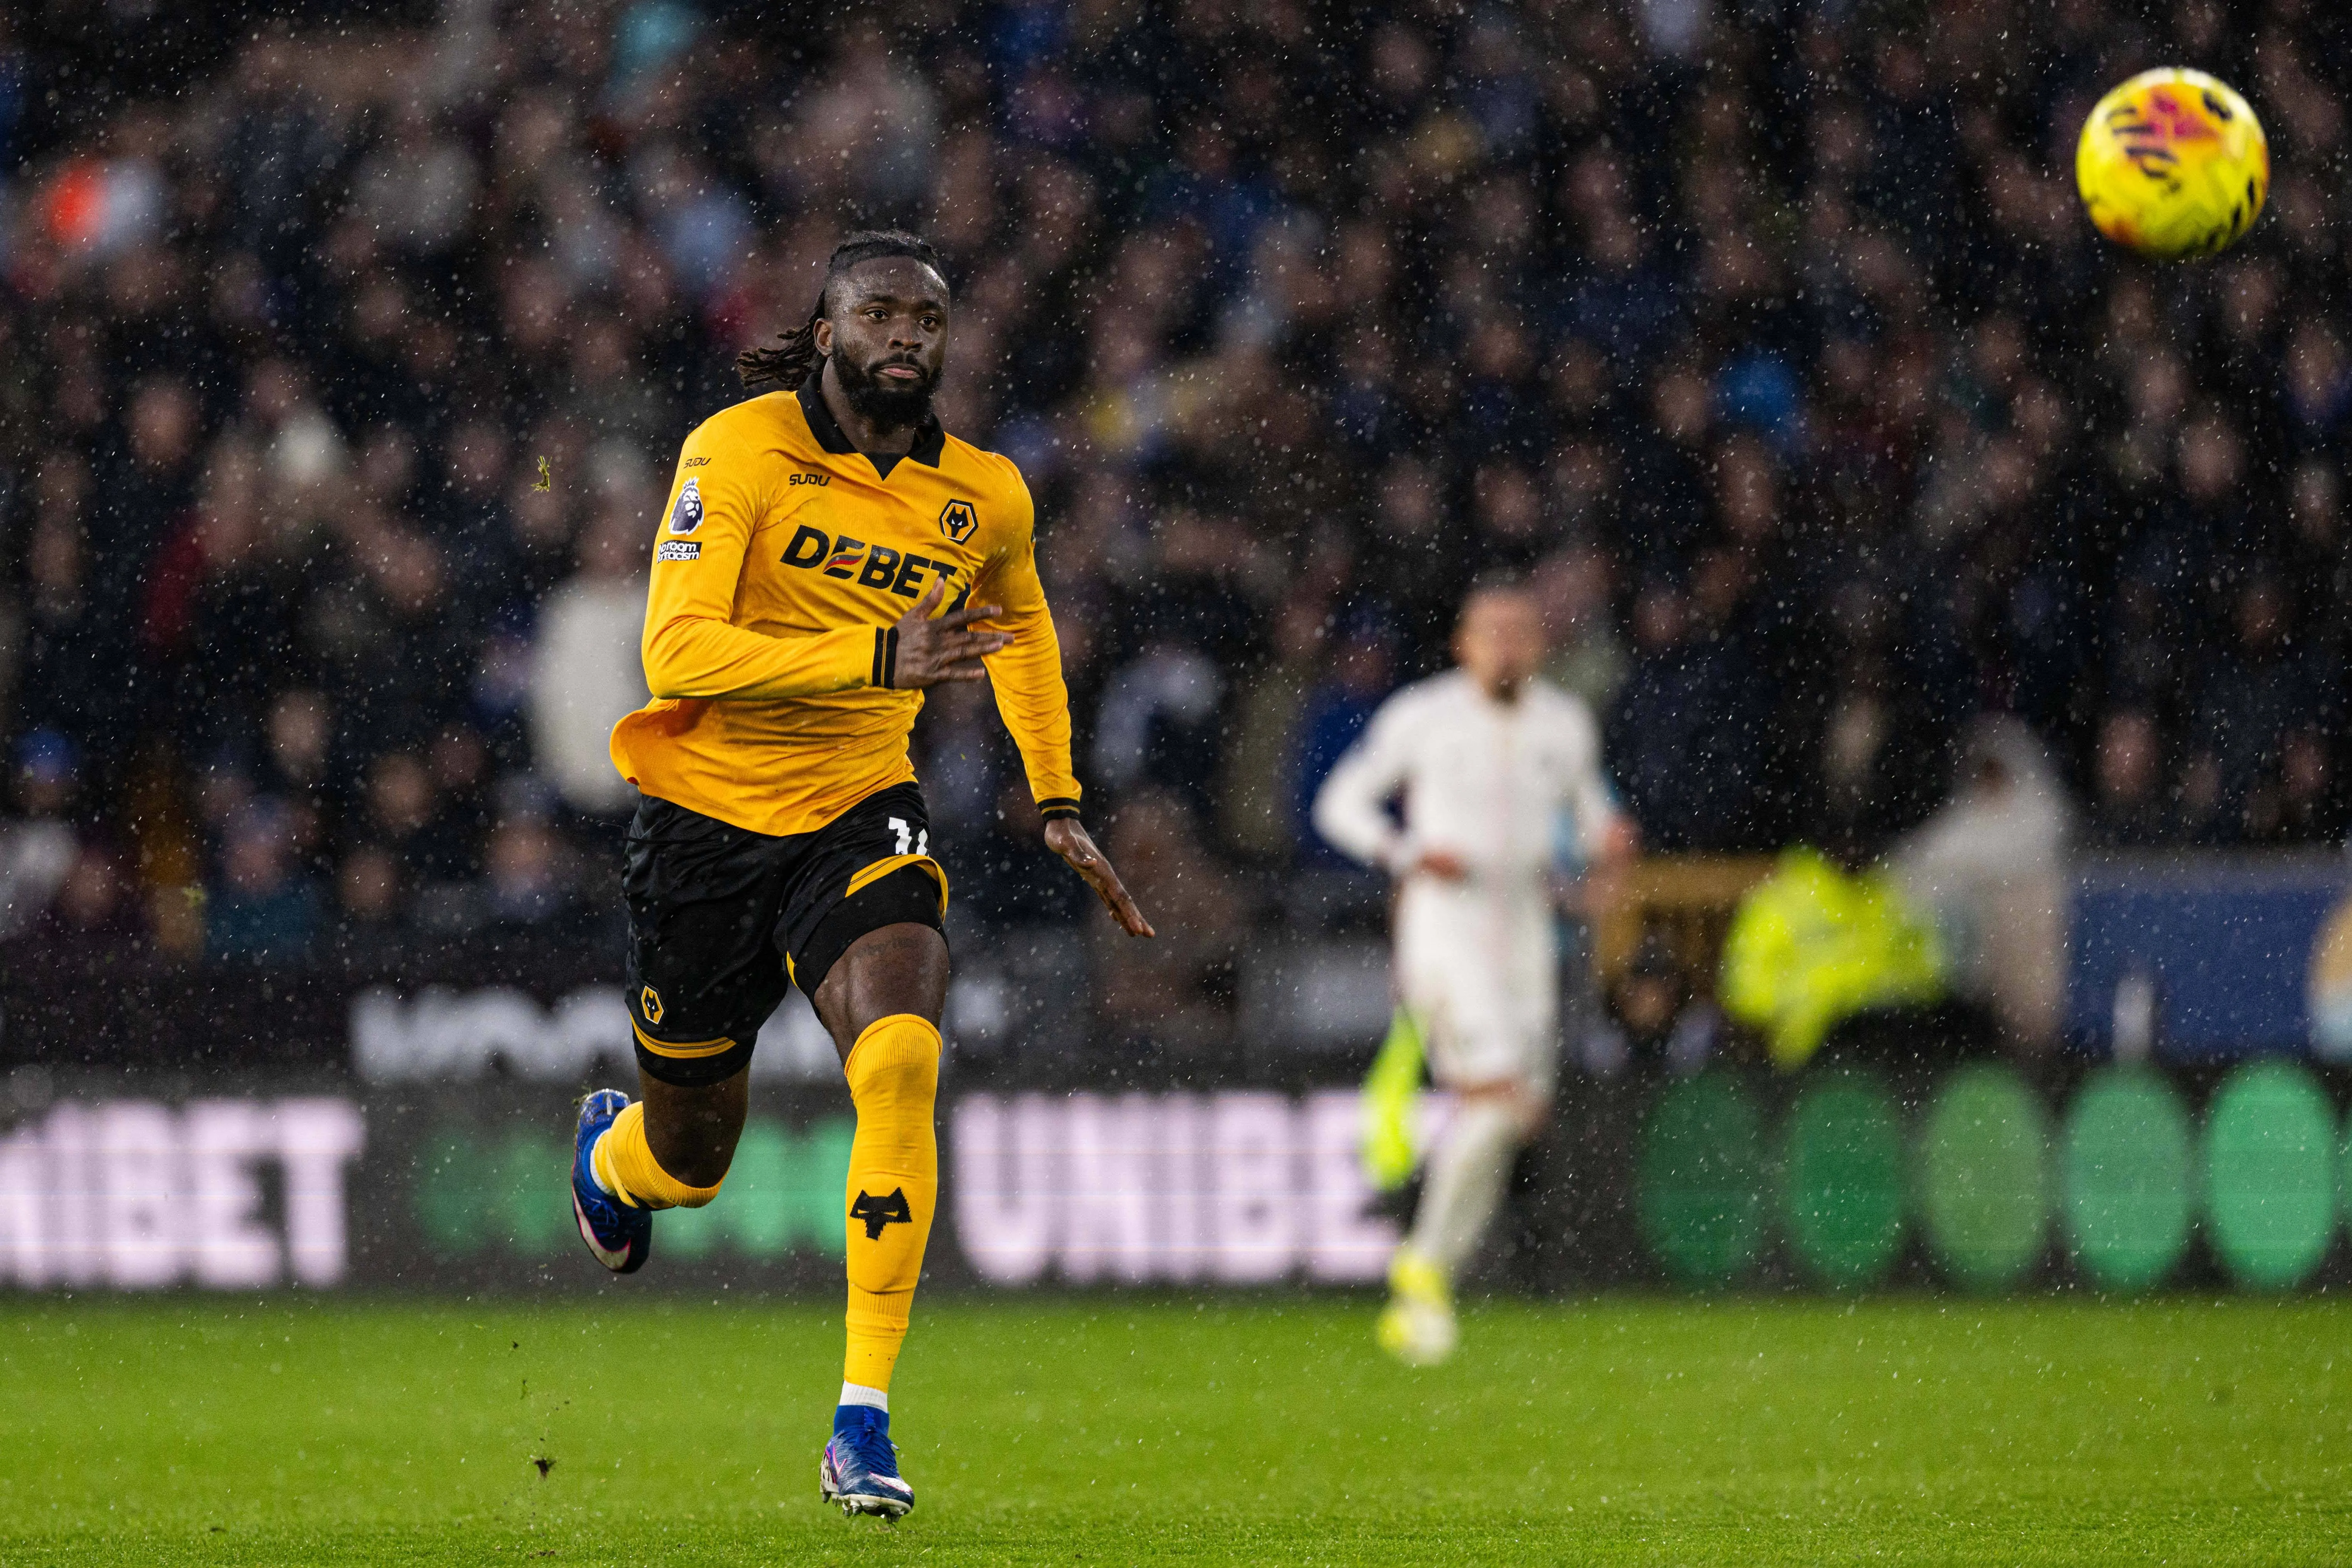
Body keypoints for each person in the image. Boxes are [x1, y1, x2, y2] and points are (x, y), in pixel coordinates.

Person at [565, 232, 1154, 1520]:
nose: (904, 337)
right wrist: (868, 657)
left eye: (926, 322)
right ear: (826, 332)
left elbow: (1023, 626)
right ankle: (618, 1161)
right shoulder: (739, 449)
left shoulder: (987, 495)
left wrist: (1054, 793)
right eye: (878, 315)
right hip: (704, 825)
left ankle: (861, 1418)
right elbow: (676, 652)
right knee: (694, 1159)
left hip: (858, 808)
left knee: (900, 1056)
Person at [1312, 579, 1633, 1365]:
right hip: (1443, 924)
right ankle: (1422, 1264)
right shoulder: (1424, 715)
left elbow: (1591, 819)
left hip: (1527, 928)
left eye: (1521, 629)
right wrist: (1408, 852)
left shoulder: (1564, 724)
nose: (1508, 644)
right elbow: (1340, 803)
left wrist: (1608, 844)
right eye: (1491, 630)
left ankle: (1426, 1280)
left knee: (1512, 1116)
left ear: (1542, 643)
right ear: (1462, 642)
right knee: (1497, 1095)